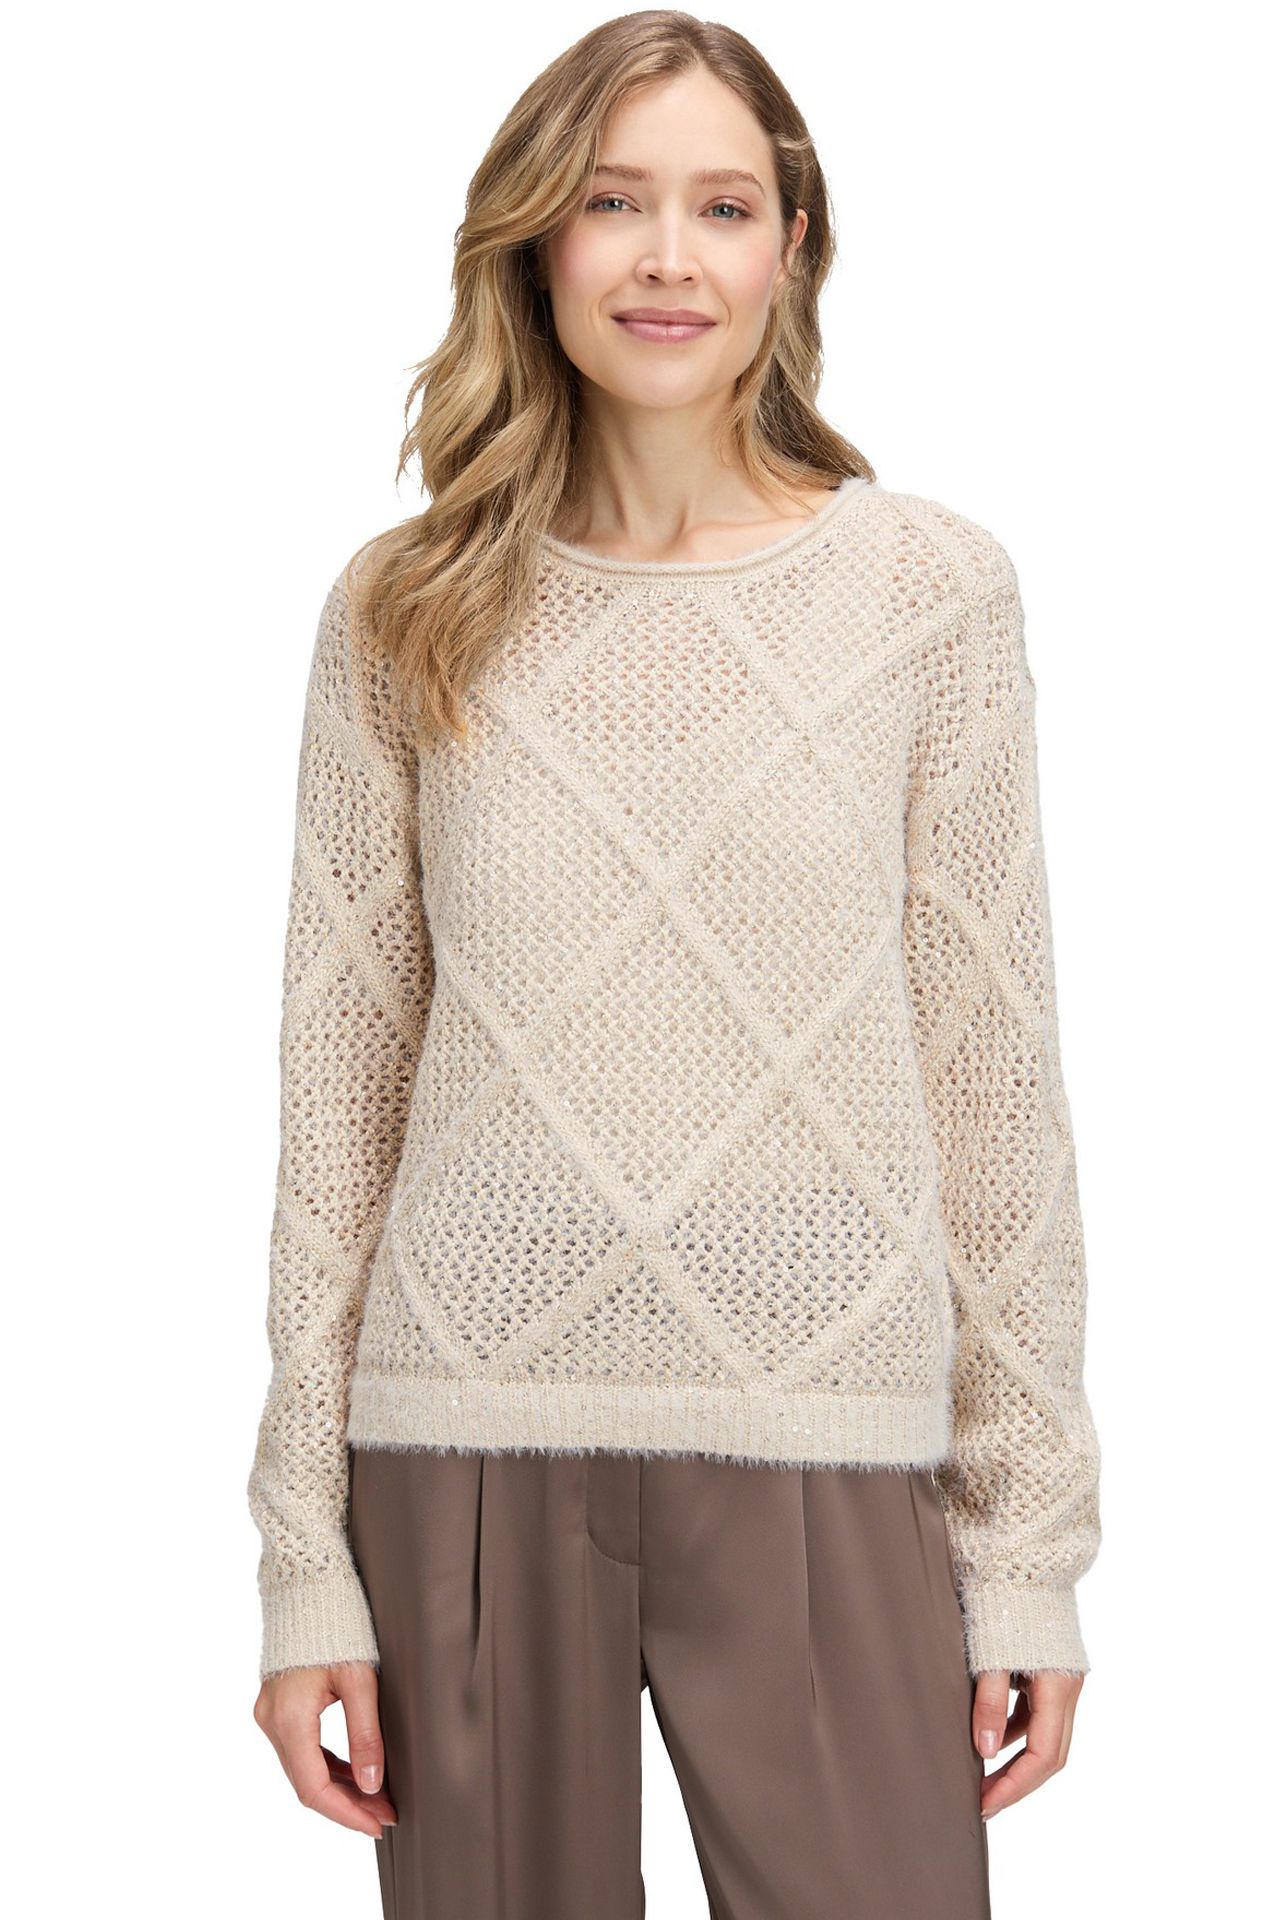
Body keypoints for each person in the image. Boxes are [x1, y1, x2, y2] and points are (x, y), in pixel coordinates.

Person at [247, 12, 1102, 1916]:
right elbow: (340, 1097)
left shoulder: (927, 594)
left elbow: (993, 1083)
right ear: (535, 238)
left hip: (830, 1430)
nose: (665, 258)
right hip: (463, 1436)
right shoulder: (402, 609)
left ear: (791, 245)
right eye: (613, 201)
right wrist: (305, 1564)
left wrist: (1030, 1550)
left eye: (721, 207)